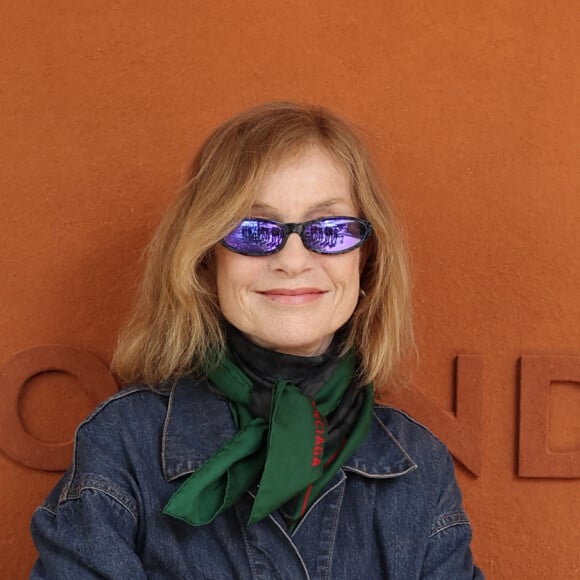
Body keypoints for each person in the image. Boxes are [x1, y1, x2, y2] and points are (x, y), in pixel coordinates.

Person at [30, 102, 484, 578]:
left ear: (366, 258)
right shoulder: (123, 445)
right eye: (253, 230)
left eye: (328, 231)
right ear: (206, 260)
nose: (292, 260)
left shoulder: (419, 469)